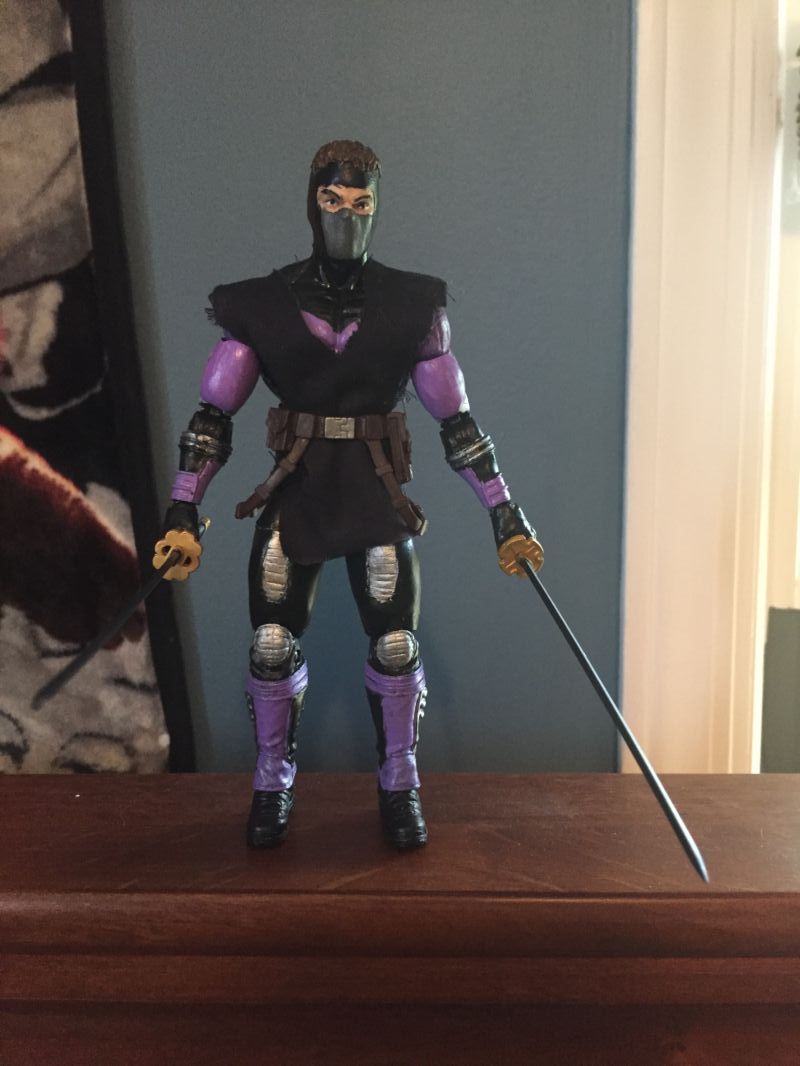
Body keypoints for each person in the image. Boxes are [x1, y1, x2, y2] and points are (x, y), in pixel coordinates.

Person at [155, 140, 542, 851]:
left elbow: (457, 423)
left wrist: (504, 512)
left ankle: (400, 782)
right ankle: (272, 780)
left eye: (361, 203)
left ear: (377, 208)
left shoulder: (412, 307)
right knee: (272, 642)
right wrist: (184, 508)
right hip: (298, 483)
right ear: (312, 203)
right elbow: (212, 417)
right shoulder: (263, 306)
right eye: (332, 201)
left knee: (395, 644)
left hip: (373, 487)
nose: (346, 217)